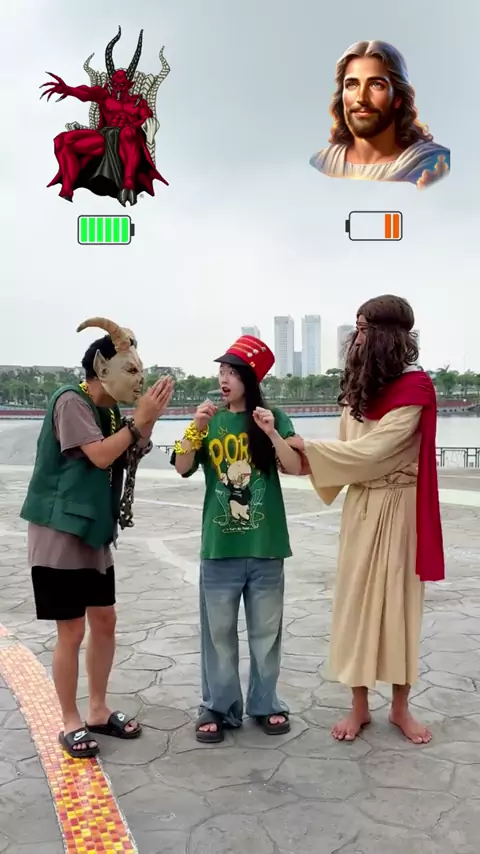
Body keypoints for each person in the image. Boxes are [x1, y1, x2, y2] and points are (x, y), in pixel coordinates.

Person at [290, 296, 444, 744]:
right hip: (361, 507)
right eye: (355, 329)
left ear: (387, 337)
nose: (355, 339)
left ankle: (399, 708)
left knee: (399, 608)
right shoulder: (358, 388)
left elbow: (372, 451)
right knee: (356, 604)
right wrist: (308, 459)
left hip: (400, 508)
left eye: (363, 330)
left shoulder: (414, 389)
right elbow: (348, 451)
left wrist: (309, 450)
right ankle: (358, 705)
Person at [20, 316, 174, 758]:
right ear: (102, 368)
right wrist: (139, 421)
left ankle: (98, 710)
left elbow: (128, 450)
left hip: (93, 531)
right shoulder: (71, 401)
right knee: (71, 629)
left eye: (141, 370)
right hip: (60, 532)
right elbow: (102, 456)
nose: (139, 378)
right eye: (131, 369)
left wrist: (145, 423)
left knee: (104, 619)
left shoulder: (107, 410)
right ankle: (70, 720)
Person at [171, 335, 302, 743]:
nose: (223, 380)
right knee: (218, 636)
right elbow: (181, 465)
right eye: (221, 372)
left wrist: (272, 433)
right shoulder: (208, 421)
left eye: (232, 372)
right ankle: (218, 706)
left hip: (266, 547)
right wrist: (196, 428)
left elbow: (295, 466)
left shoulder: (273, 418)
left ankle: (266, 704)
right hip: (220, 548)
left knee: (266, 633)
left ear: (250, 378)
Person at [310, 40, 450, 189]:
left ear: (398, 97)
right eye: (352, 84)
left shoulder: (434, 164)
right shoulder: (322, 163)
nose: (361, 98)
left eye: (376, 85)